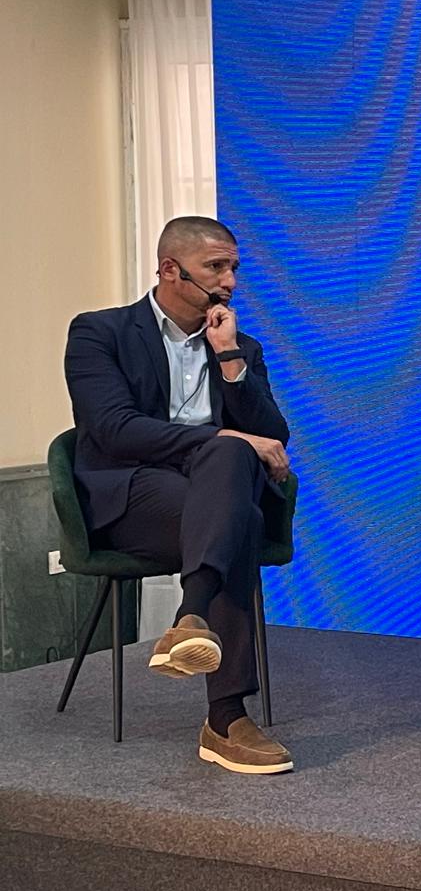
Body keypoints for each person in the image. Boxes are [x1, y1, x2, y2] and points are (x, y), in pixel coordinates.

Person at [64, 215, 294, 774]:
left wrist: (230, 357)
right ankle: (226, 718)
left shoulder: (240, 347)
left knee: (230, 478)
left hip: (211, 495)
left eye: (235, 267)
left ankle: (191, 618)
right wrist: (226, 435)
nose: (230, 281)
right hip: (133, 493)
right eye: (216, 267)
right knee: (231, 485)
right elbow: (115, 429)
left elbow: (275, 436)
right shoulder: (101, 332)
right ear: (171, 270)